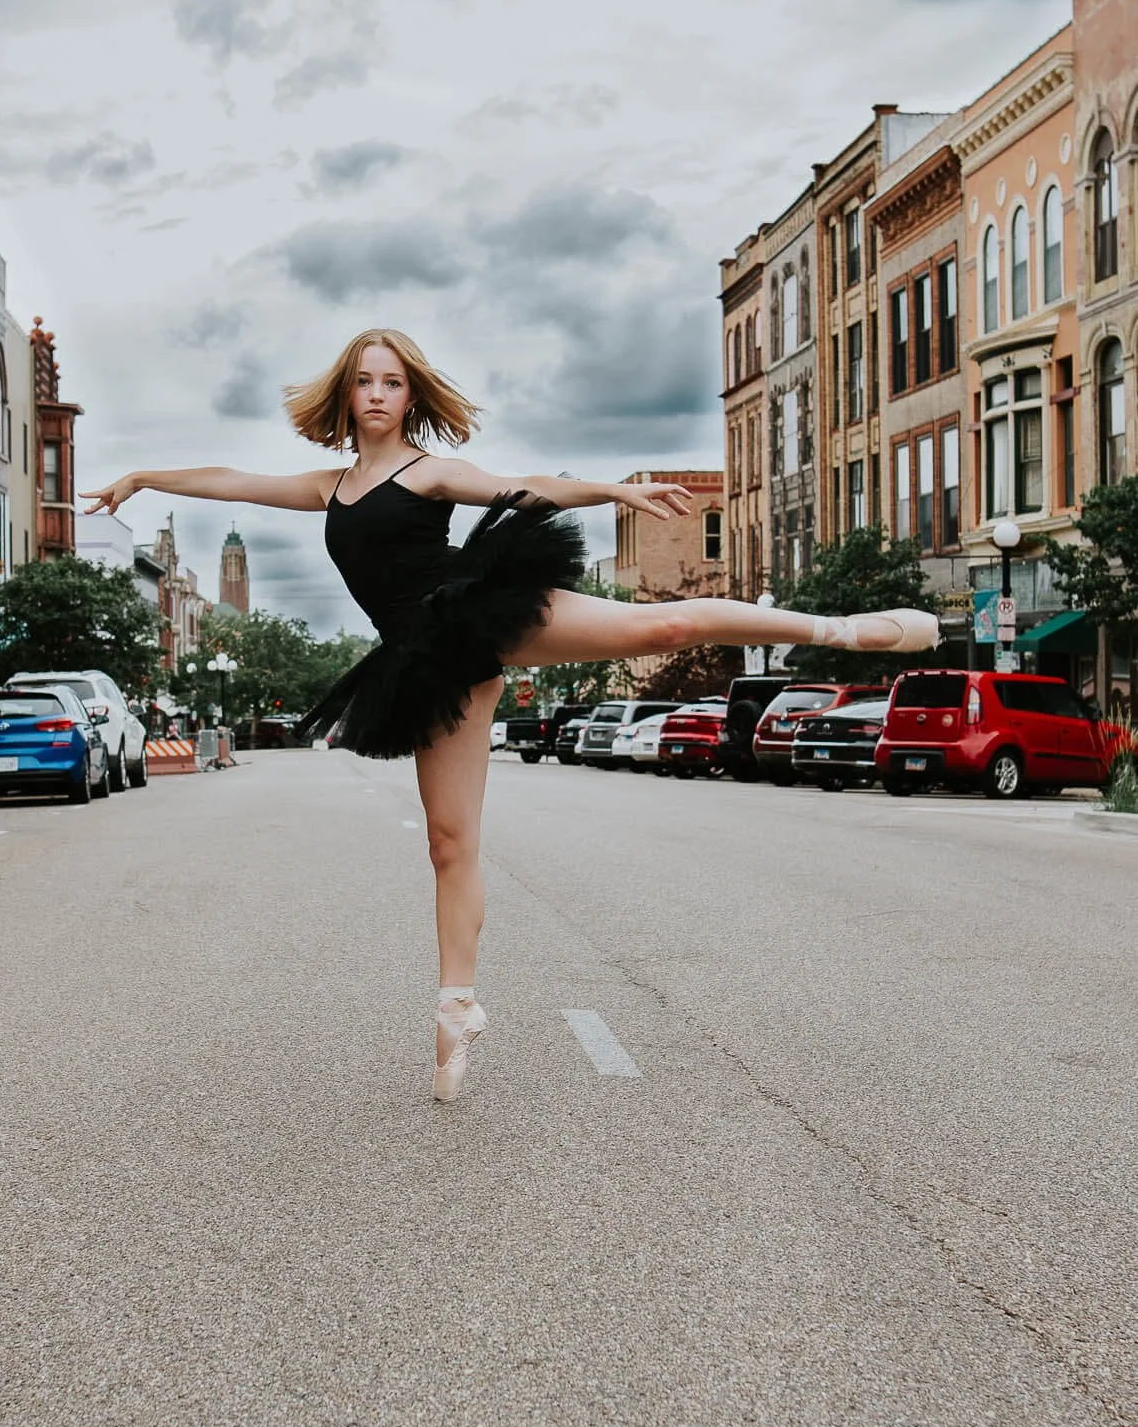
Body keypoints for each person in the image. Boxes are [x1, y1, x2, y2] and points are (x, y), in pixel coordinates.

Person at [83, 327, 937, 1104]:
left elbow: (522, 487)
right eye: (364, 382)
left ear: (409, 396)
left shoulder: (429, 472)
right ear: (347, 395)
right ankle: (456, 1009)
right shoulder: (330, 488)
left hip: (482, 608)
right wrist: (142, 476)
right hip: (424, 664)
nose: (377, 394)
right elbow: (234, 479)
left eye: (391, 381)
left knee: (664, 623)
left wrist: (611, 489)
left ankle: (838, 629)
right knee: (447, 843)